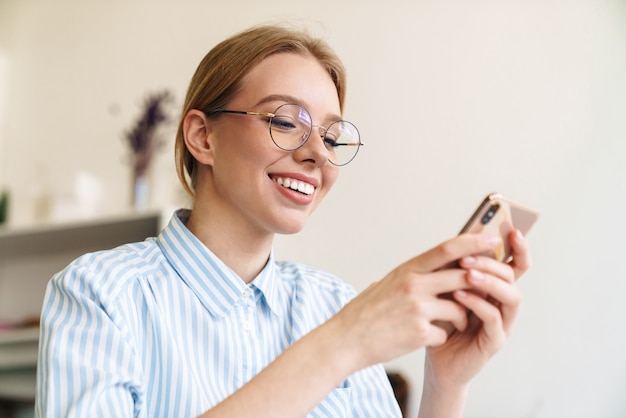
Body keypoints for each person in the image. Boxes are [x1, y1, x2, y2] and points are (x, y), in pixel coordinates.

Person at [35, 24, 529, 418]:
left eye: (333, 138)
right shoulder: (99, 293)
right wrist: (343, 342)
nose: (318, 154)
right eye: (286, 122)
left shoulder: (333, 303)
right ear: (203, 137)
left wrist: (447, 386)